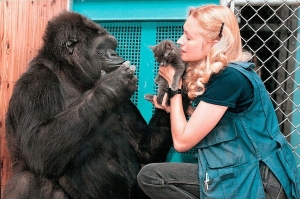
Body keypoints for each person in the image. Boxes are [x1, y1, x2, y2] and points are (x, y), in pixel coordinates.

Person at [137, 4, 300, 199]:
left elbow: (181, 142)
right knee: (152, 176)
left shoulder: (229, 78)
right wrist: (181, 110)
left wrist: (175, 85)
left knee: (152, 177)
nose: (180, 41)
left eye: (189, 37)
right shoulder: (228, 74)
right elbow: (224, 124)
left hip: (257, 183)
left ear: (215, 42)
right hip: (235, 174)